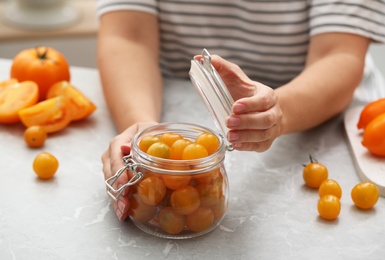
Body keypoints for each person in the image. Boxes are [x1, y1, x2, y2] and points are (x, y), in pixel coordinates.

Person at [96, 0, 385, 221]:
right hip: (163, 96)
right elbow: (128, 36)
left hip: (329, 119)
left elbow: (338, 53)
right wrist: (143, 129)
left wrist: (277, 112)